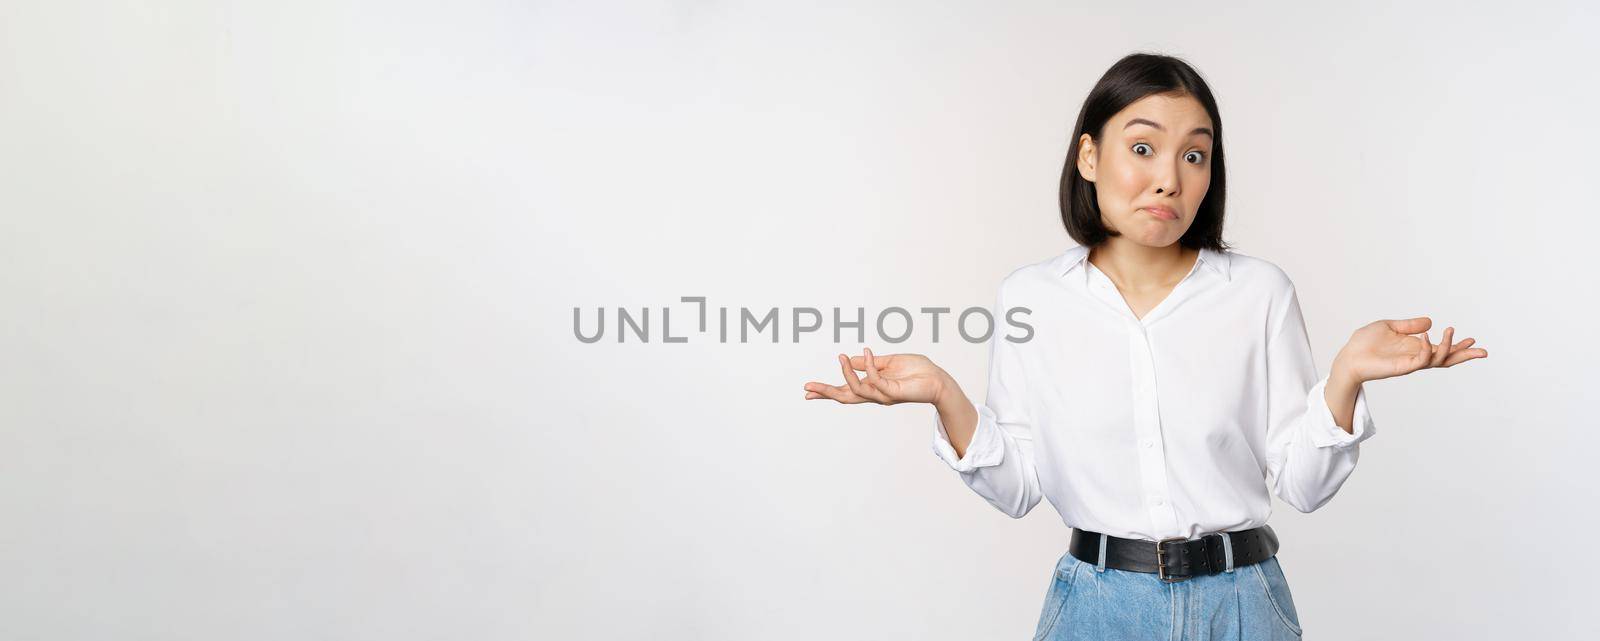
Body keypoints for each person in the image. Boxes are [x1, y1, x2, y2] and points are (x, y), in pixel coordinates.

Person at [801, 53, 1487, 640]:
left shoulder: (1258, 293)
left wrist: (1345, 378)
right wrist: (945, 394)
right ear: (1089, 155)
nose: (1170, 177)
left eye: (1195, 154)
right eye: (1142, 148)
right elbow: (1016, 488)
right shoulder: (1031, 298)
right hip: (1096, 607)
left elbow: (1304, 487)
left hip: (1242, 603)